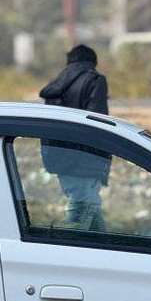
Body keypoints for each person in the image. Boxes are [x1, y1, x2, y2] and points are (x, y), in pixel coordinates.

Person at [39, 45, 111, 231]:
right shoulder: (95, 80)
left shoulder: (57, 86)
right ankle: (63, 255)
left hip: (59, 157)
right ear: (92, 63)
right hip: (85, 159)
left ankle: (106, 252)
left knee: (90, 210)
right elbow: (97, 122)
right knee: (80, 214)